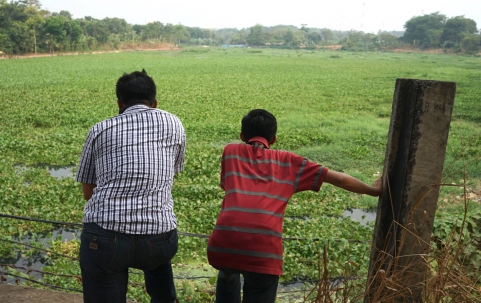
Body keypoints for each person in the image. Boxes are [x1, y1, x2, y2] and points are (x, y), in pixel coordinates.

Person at [206, 109, 382, 303]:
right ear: (273, 139)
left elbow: (227, 186)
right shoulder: (290, 162)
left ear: (241, 136)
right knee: (258, 285)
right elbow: (339, 179)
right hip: (263, 251)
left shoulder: (230, 152)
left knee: (227, 273)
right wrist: (373, 191)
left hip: (222, 244)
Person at [75, 70, 186, 303]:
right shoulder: (174, 123)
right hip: (159, 239)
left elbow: (88, 193)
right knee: (157, 260)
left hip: (104, 238)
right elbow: (169, 177)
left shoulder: (100, 130)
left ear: (119, 103)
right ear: (155, 102)